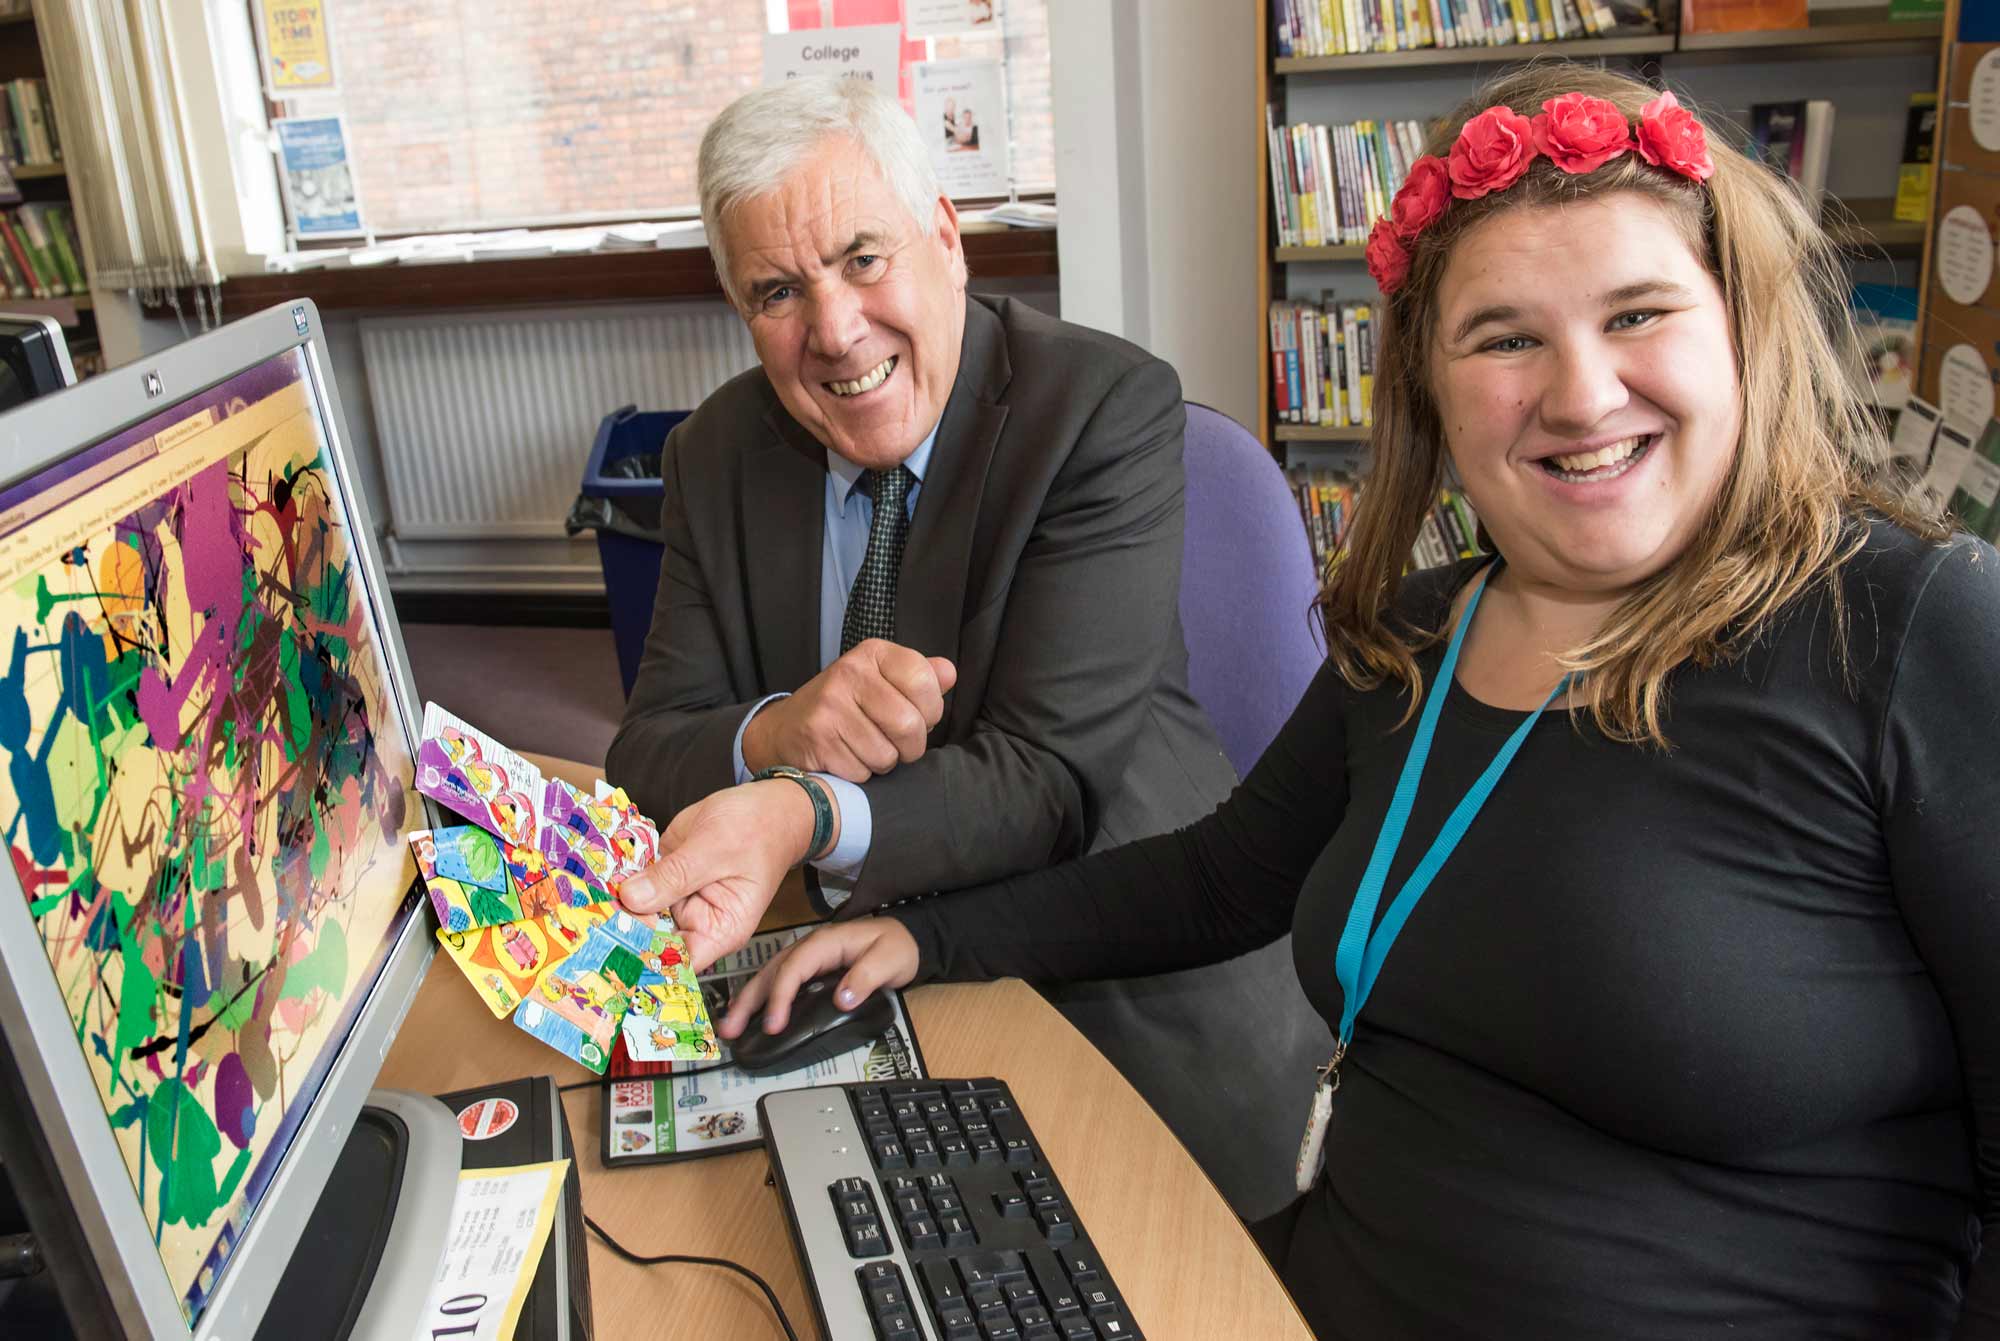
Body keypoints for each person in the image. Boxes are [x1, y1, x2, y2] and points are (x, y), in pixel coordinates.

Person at [714, 63, 2000, 1340]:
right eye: (1503, 337)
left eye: (1637, 315)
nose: (1580, 394)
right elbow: (1220, 880)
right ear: (1430, 392)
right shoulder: (1419, 635)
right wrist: (927, 942)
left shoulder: (1908, 628)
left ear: (1738, 329)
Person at [604, 74, 1332, 1219]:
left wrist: (801, 809)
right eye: (777, 291)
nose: (833, 330)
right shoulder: (712, 456)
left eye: (862, 258)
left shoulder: (1098, 409)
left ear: (944, 239)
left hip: (1111, 981)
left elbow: (1044, 783)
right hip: (852, 976)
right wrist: (780, 731)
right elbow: (645, 747)